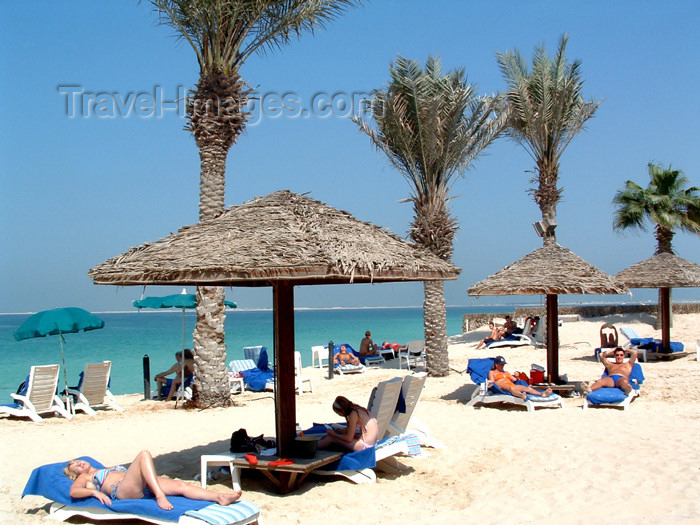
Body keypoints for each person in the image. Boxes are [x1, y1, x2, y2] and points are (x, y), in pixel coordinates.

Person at [63, 450, 241, 510]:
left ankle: (219, 497)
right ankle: (159, 496)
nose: (79, 464)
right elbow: (73, 491)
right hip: (123, 491)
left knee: (181, 485)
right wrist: (93, 491)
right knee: (144, 455)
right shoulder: (86, 477)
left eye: (78, 461)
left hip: (142, 484)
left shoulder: (103, 468)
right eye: (75, 467)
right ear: (75, 474)